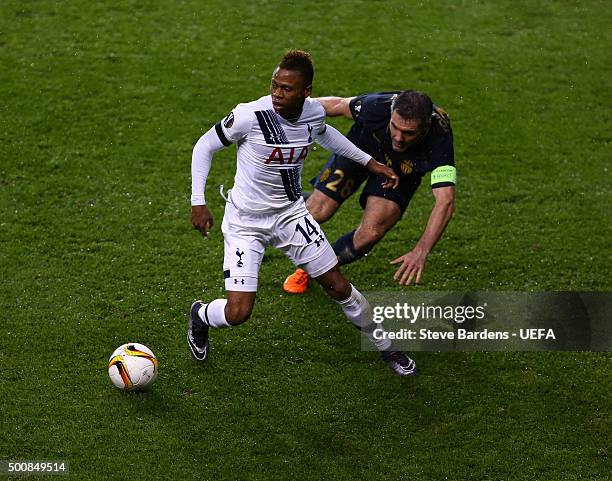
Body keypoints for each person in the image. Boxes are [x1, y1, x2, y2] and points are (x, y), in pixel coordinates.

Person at [189, 50, 416, 376]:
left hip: (291, 216)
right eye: (274, 85)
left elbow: (325, 134)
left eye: (287, 89)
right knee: (238, 313)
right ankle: (200, 315)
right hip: (245, 222)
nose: (278, 94)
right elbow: (204, 146)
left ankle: (387, 347)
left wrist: (371, 163)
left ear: (306, 91)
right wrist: (198, 201)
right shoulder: (249, 116)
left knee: (338, 286)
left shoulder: (312, 113)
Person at [282, 90, 456, 294]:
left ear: (425, 128)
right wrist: (285, 110)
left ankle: (312, 269)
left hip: (401, 171)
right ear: (390, 116)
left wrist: (420, 251)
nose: (399, 138)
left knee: (370, 234)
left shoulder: (440, 137)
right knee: (318, 211)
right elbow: (336, 105)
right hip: (360, 150)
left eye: (409, 133)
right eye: (395, 127)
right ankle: (274, 205)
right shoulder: (377, 106)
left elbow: (445, 201)